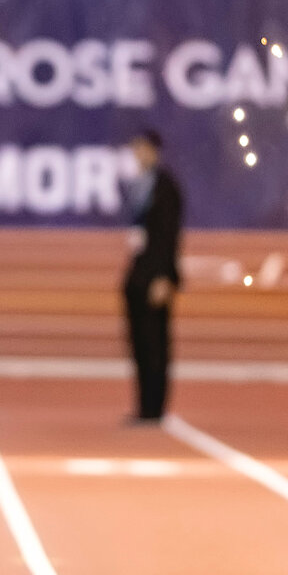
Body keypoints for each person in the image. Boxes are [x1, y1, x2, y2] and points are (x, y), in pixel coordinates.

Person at [121, 129, 182, 423]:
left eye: (142, 148)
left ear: (154, 151)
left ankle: (156, 407)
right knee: (139, 344)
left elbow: (169, 237)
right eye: (135, 148)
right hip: (138, 273)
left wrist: (165, 277)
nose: (138, 154)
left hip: (155, 276)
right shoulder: (139, 185)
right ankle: (144, 406)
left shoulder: (166, 187)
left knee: (155, 342)